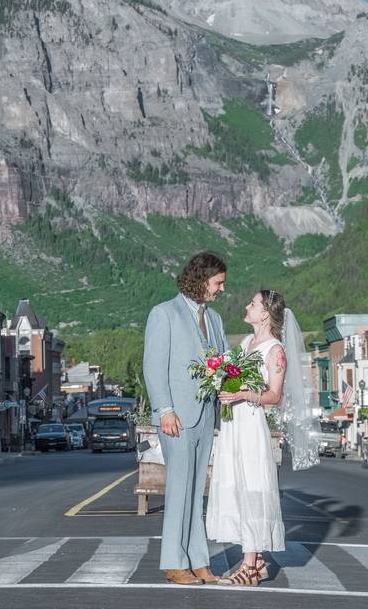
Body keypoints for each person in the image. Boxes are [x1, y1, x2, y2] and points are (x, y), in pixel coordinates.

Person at [206, 289, 321, 586]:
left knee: (252, 487)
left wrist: (243, 393)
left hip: (251, 424)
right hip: (233, 423)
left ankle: (247, 566)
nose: (247, 306)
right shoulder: (246, 343)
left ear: (266, 313)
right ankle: (257, 563)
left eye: (253, 304)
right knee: (237, 487)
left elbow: (275, 395)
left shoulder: (275, 350)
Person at [143, 251, 228, 585]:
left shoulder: (216, 320)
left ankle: (199, 562)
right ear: (202, 278)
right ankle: (174, 562)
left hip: (206, 415)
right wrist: (164, 409)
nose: (221, 289)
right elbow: (153, 366)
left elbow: (222, 363)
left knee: (196, 492)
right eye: (218, 282)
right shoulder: (164, 313)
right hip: (176, 417)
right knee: (179, 489)